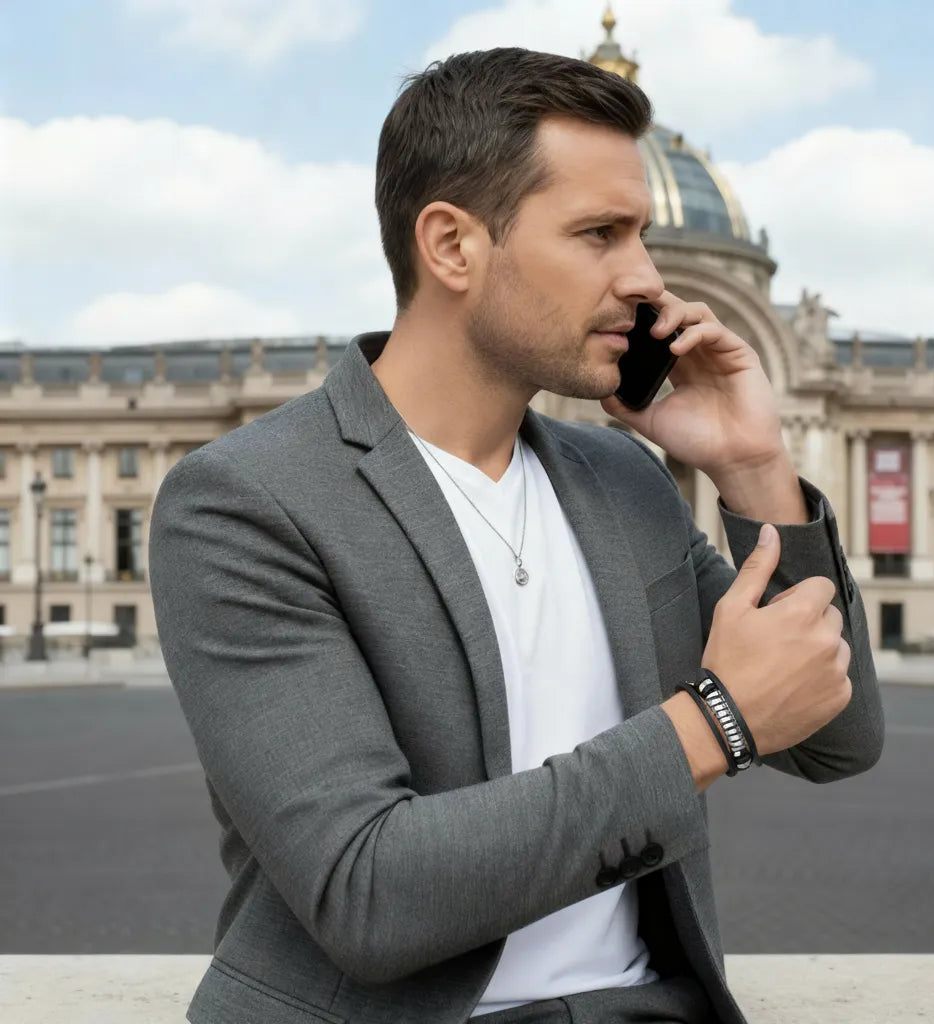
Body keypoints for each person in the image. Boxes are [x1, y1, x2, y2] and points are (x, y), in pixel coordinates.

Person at [149, 48, 884, 1024]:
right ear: (451, 245)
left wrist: (753, 466)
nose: (646, 281)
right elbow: (370, 892)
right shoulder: (246, 500)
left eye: (643, 236)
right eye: (599, 235)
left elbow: (836, 736)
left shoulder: (622, 481)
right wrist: (715, 721)